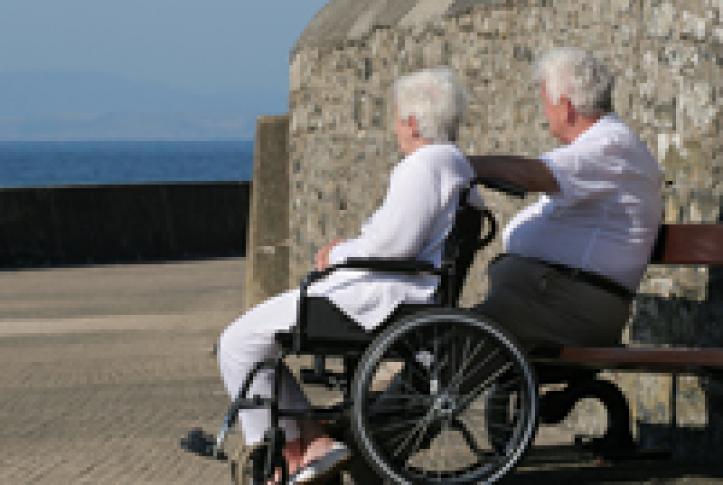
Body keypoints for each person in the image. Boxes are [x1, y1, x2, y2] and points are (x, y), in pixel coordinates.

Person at [217, 67, 473, 483]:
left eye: (395, 118)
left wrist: (339, 254)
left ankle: (289, 454)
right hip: (397, 291)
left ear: (410, 121)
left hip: (381, 299)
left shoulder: (422, 167)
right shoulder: (454, 165)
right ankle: (309, 444)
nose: (394, 128)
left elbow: (392, 248)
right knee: (250, 342)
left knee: (238, 342)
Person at [470, 47, 663, 348]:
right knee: (464, 334)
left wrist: (461, 165)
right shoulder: (597, 148)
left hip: (572, 305)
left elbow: (538, 175)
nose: (544, 111)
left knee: (465, 336)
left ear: (566, 106)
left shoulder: (610, 145)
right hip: (555, 295)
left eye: (546, 101)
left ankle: (407, 394)